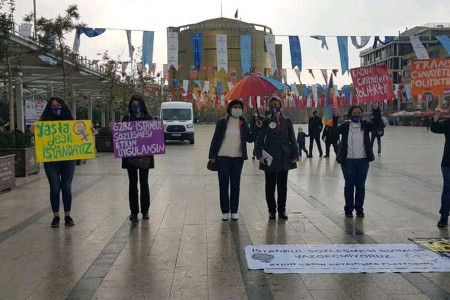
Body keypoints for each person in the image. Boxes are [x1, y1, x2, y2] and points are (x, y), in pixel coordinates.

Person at [209, 100, 261, 221]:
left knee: (235, 185)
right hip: (222, 158)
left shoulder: (243, 123)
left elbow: (249, 139)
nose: (237, 109)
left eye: (239, 107)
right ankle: (225, 211)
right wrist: (212, 155)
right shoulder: (222, 123)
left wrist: (257, 128)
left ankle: (234, 211)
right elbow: (215, 139)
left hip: (238, 158)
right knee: (223, 185)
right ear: (230, 109)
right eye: (235, 107)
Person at [256, 97, 299, 220]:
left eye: (276, 104)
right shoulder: (265, 122)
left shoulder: (287, 121)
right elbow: (259, 141)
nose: (274, 107)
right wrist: (259, 156)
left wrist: (295, 155)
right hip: (269, 157)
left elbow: (293, 139)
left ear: (281, 106)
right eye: (272, 105)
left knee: (282, 185)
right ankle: (271, 210)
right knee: (269, 186)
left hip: (284, 156)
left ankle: (282, 210)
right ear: (269, 108)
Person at [336, 103, 382, 218]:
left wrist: (376, 110)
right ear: (350, 114)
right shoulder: (345, 126)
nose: (357, 115)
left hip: (362, 161)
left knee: (361, 186)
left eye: (359, 113)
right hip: (348, 161)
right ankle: (348, 209)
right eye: (354, 113)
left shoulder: (365, 125)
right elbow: (333, 132)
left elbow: (378, 125)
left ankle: (359, 209)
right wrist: (334, 117)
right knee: (349, 186)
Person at [38, 97, 77, 227]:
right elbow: (39, 136)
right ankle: (56, 216)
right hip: (51, 161)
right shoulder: (44, 122)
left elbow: (79, 135)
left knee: (66, 187)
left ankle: (67, 215)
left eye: (58, 105)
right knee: (54, 188)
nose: (56, 108)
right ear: (49, 108)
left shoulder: (70, 121)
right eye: (53, 106)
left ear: (63, 106)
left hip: (68, 159)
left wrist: (89, 130)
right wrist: (33, 131)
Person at [122, 95, 154, 222]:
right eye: (133, 105)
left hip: (144, 156)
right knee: (132, 184)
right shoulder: (127, 119)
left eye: (138, 104)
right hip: (130, 156)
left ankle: (145, 210)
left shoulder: (148, 118)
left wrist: (160, 131)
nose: (136, 107)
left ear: (142, 105)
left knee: (144, 183)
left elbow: (153, 136)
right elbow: (120, 136)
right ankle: (134, 211)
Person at [430, 108, 450, 228]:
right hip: (448, 162)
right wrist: (436, 116)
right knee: (448, 189)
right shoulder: (448, 123)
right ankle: (444, 217)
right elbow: (434, 128)